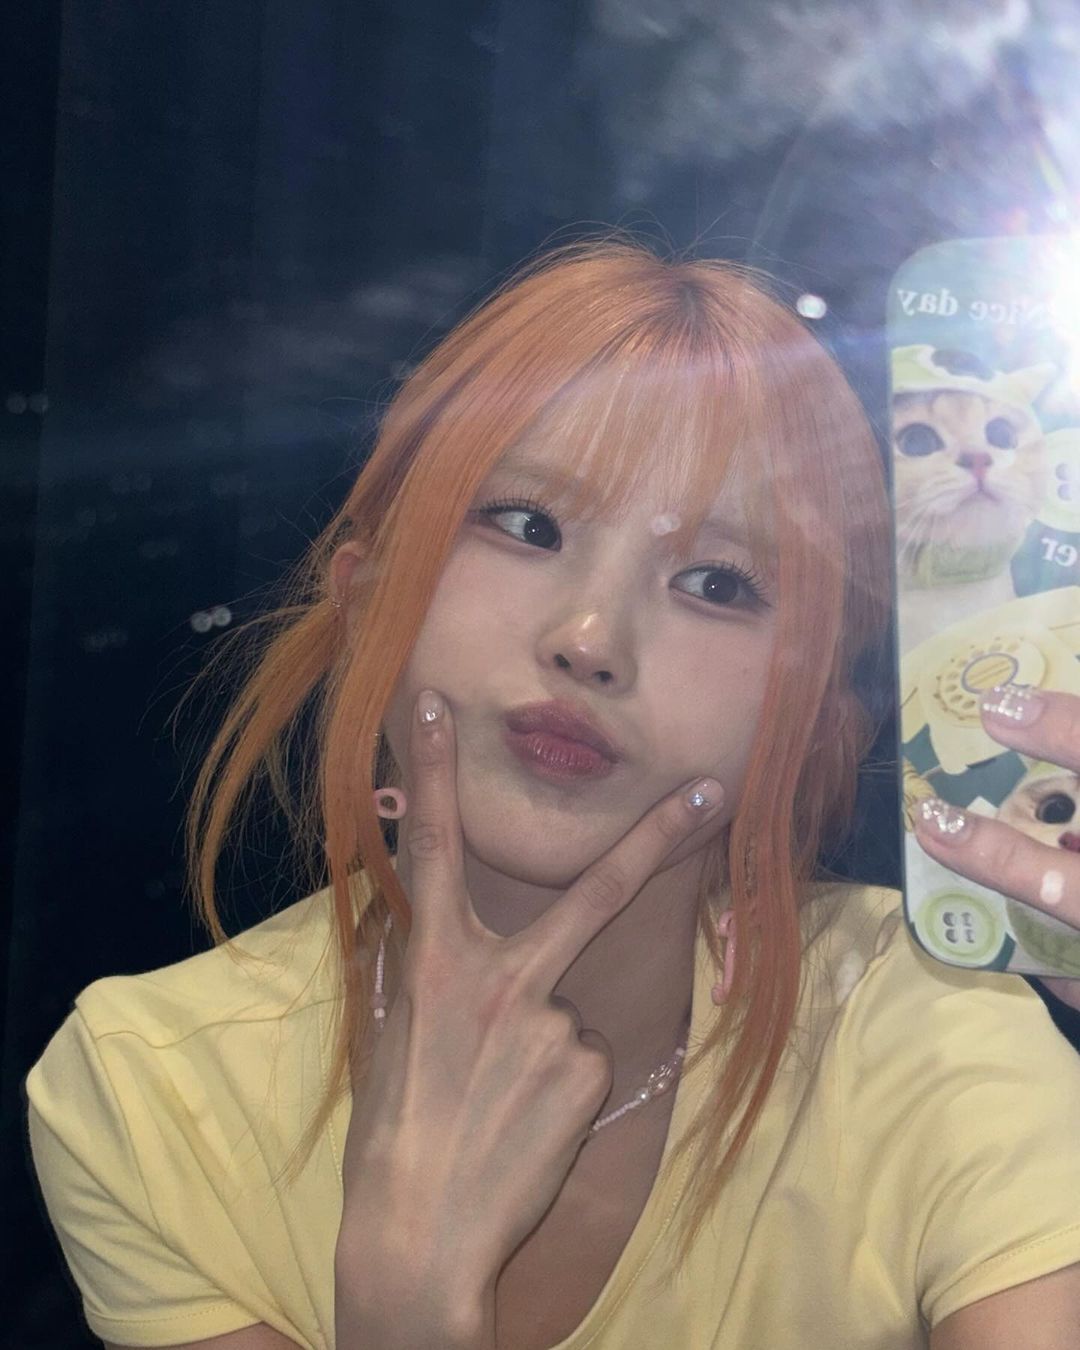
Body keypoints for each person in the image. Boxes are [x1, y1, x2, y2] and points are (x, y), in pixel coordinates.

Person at [25, 241, 1080, 1350]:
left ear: (811, 721)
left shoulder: (930, 1030)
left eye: (717, 582)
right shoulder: (153, 1093)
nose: (590, 640)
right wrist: (407, 1295)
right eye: (528, 525)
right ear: (364, 593)